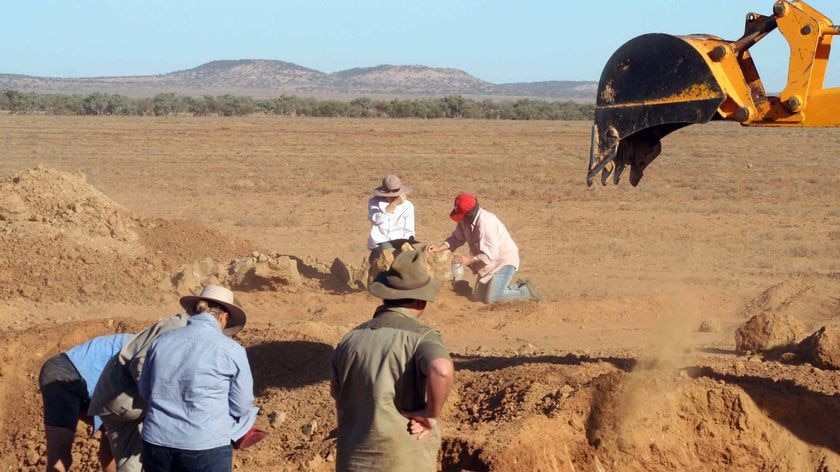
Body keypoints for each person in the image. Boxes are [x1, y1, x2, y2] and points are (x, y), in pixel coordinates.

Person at [331, 250, 455, 472]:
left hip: (352, 461)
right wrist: (430, 414)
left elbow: (340, 401)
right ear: (420, 301)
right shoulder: (422, 337)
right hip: (403, 461)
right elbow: (442, 369)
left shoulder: (349, 340)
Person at [138, 284, 264, 472]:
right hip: (205, 445)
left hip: (156, 440)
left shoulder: (161, 341)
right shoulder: (231, 350)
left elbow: (146, 391)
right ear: (224, 317)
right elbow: (241, 405)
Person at [39, 332, 134, 472]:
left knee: (112, 432)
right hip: (66, 376)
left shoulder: (146, 341)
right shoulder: (148, 347)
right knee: (60, 457)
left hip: (69, 374)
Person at [428, 193, 540, 303]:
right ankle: (512, 287)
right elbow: (456, 238)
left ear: (469, 214)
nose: (460, 219)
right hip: (488, 264)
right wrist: (440, 247)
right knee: (478, 297)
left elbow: (490, 254)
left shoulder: (486, 223)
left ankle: (526, 291)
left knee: (493, 298)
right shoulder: (465, 221)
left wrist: (470, 260)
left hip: (503, 261)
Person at [367, 174, 416, 260]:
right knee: (387, 250)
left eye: (395, 195)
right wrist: (394, 204)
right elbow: (377, 220)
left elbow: (409, 230)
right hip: (380, 245)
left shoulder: (408, 206)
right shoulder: (374, 203)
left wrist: (408, 242)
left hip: (400, 244)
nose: (392, 197)